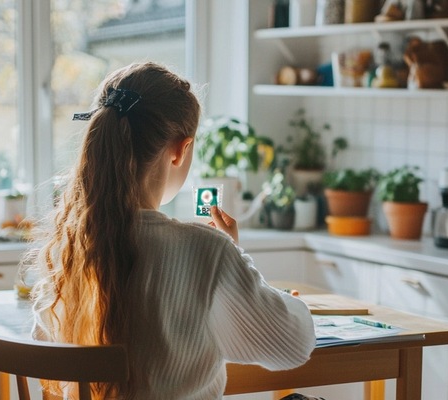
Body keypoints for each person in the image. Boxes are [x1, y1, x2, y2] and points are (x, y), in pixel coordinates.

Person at [25, 62, 315, 400]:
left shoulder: (71, 246)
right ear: (179, 150)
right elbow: (292, 346)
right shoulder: (205, 250)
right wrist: (234, 258)